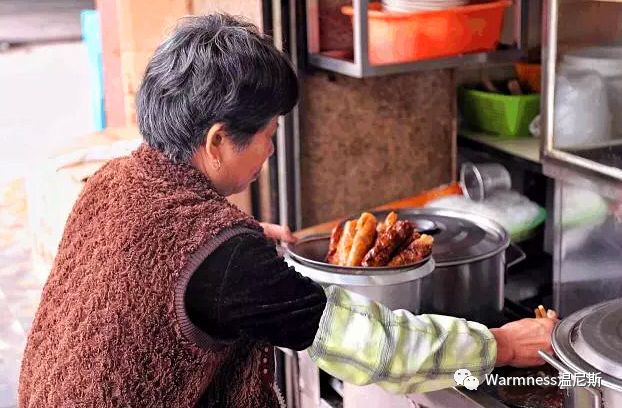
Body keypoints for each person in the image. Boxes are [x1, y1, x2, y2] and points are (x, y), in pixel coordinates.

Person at [18, 14, 557, 408]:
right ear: (216, 140)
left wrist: (242, 235)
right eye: (269, 136)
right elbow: (374, 347)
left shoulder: (115, 179)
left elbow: (151, 251)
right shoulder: (225, 259)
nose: (272, 152)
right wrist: (501, 346)